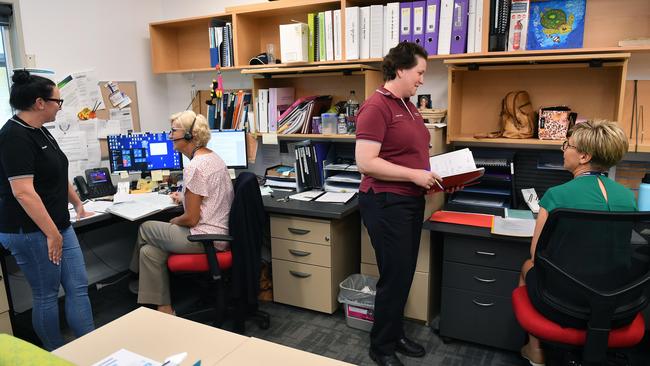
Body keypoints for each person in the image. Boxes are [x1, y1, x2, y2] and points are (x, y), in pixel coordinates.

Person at [355, 42, 458, 366]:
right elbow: (366, 162)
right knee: (394, 276)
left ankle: (395, 333)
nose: (422, 80)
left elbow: (411, 154)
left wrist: (431, 174)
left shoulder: (408, 105)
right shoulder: (377, 107)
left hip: (408, 202)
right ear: (400, 69)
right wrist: (414, 175)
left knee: (403, 273)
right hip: (385, 202)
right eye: (420, 72)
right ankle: (381, 347)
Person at [518, 120, 636, 366]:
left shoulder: (556, 195)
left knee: (527, 265)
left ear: (584, 156)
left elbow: (536, 253)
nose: (563, 149)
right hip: (618, 306)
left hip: (565, 304)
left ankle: (535, 349)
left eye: (567, 145)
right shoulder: (627, 197)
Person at [0, 70, 95, 350]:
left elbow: (57, 172)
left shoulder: (40, 131)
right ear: (40, 103)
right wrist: (52, 234)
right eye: (58, 101)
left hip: (58, 225)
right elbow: (23, 192)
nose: (60, 106)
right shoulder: (13, 137)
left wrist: (78, 204)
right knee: (46, 294)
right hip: (30, 231)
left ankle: (91, 347)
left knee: (78, 287)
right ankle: (54, 353)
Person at [130, 110, 234, 315]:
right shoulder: (213, 158)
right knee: (149, 252)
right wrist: (184, 197)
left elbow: (192, 218)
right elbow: (207, 197)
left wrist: (175, 220)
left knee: (145, 228)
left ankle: (132, 274)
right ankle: (164, 308)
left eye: (173, 131)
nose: (169, 137)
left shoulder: (194, 167)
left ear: (189, 135)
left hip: (204, 238)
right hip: (219, 233)